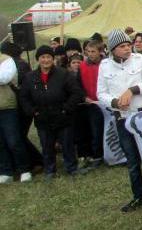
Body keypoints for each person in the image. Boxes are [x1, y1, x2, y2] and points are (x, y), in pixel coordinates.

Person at [98, 29, 142, 212]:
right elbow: (101, 93)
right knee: (132, 159)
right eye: (122, 46)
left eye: (128, 45)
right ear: (113, 49)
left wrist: (133, 90)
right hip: (122, 117)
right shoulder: (104, 66)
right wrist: (114, 102)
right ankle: (138, 196)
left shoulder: (140, 60)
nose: (127, 49)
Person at [20, 45, 84, 180]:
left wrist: (66, 108)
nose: (46, 60)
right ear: (38, 59)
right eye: (42, 57)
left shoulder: (63, 74)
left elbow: (76, 92)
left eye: (48, 57)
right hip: (42, 117)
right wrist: (33, 111)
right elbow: (24, 97)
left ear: (53, 59)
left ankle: (71, 167)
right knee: (46, 146)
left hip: (62, 115)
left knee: (67, 145)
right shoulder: (30, 77)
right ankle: (50, 170)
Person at [0, 44, 31, 183]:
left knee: (14, 140)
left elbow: (4, 78)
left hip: (7, 106)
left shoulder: (6, 59)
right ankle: (5, 171)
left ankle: (24, 169)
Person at [79, 40, 105, 168]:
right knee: (95, 130)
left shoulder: (106, 64)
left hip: (106, 102)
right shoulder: (82, 66)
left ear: (100, 52)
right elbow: (78, 84)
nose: (90, 54)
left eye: (93, 51)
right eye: (88, 52)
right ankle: (97, 155)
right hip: (92, 103)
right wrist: (84, 97)